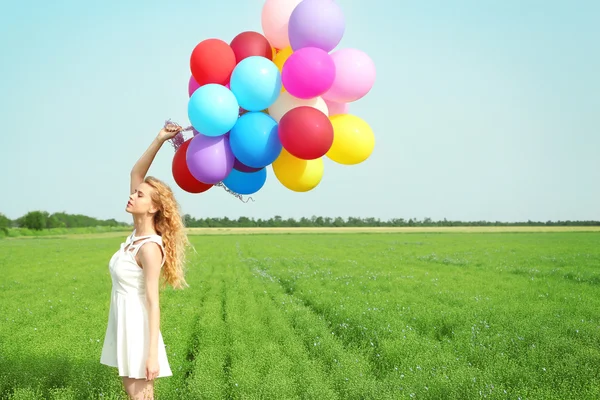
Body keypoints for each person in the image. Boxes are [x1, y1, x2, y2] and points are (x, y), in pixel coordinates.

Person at [100, 123, 190, 400]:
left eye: (139, 195)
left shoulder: (149, 248)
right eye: (135, 191)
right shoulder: (135, 238)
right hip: (124, 324)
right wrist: (160, 140)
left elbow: (153, 302)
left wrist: (152, 355)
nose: (132, 195)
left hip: (138, 331)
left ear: (153, 207)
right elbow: (136, 173)